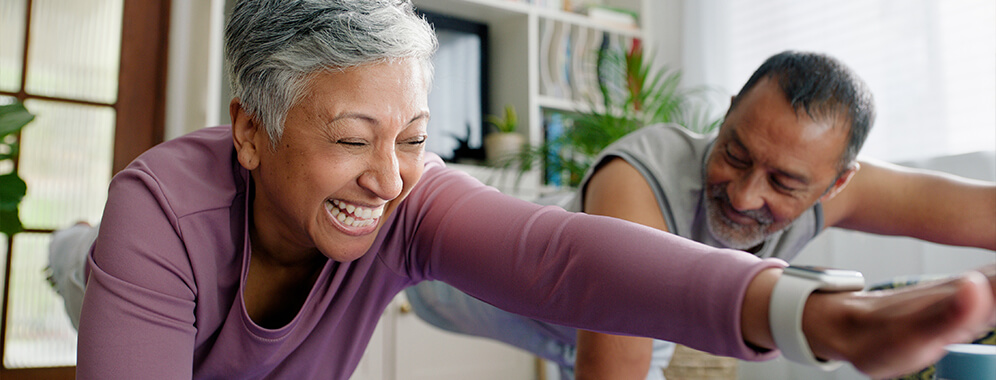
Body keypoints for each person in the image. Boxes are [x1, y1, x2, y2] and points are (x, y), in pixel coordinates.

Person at [50, 2, 996, 379]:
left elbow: (557, 252)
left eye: (413, 139)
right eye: (350, 139)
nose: (388, 177)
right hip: (138, 274)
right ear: (249, 130)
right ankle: (77, 246)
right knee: (85, 265)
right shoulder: (167, 214)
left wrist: (813, 316)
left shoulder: (405, 202)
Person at [404, 50, 996, 379]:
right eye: (733, 152)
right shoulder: (638, 178)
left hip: (586, 331)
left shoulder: (846, 185)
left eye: (785, 183)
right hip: (440, 280)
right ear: (729, 111)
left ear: (837, 182)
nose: (742, 196)